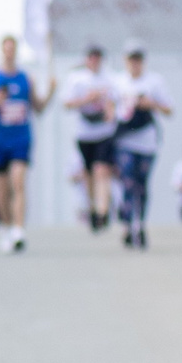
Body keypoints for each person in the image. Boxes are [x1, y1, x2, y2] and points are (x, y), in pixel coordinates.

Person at [0, 34, 50, 251]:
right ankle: (6, 227)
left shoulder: (26, 79)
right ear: (2, 51)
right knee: (1, 190)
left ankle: (19, 229)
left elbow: (38, 107)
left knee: (18, 182)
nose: (10, 52)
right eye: (6, 48)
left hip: (21, 138)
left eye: (13, 48)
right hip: (0, 140)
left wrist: (52, 91)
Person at [111, 43, 171, 249]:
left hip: (146, 139)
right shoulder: (117, 82)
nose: (135, 64)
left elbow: (169, 108)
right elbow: (108, 108)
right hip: (125, 138)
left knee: (141, 183)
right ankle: (127, 223)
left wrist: (150, 104)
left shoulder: (154, 82)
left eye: (138, 59)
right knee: (127, 181)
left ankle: (140, 223)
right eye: (131, 59)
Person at [59, 44, 119, 231]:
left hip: (104, 133)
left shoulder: (110, 78)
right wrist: (88, 99)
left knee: (102, 170)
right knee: (89, 173)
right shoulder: (77, 79)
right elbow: (67, 103)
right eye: (91, 57)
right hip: (84, 133)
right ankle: (93, 208)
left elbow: (115, 102)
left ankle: (103, 210)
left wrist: (110, 112)